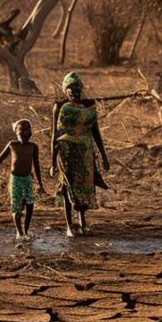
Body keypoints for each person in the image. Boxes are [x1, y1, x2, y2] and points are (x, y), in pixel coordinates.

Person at [51, 72, 109, 237]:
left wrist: (104, 156)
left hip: (85, 153)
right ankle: (70, 225)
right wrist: (52, 162)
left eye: (77, 88)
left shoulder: (89, 106)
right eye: (70, 88)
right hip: (66, 153)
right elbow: (55, 135)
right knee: (68, 186)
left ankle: (82, 221)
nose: (74, 91)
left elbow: (95, 131)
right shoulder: (59, 106)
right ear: (65, 90)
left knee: (84, 187)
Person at [0, 119, 45, 240]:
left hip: (27, 179)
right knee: (17, 207)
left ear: (31, 133)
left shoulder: (33, 147)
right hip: (15, 180)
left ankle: (26, 231)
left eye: (28, 131)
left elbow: (36, 166)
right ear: (16, 133)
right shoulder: (12, 145)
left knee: (30, 204)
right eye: (21, 131)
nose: (25, 134)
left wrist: (40, 184)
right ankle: (20, 233)